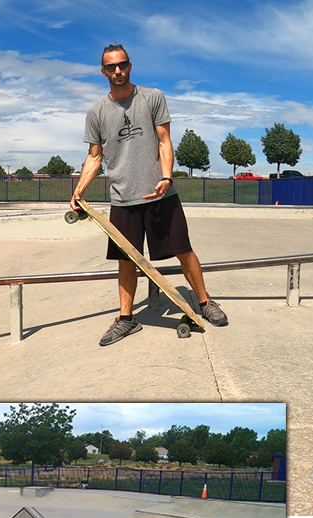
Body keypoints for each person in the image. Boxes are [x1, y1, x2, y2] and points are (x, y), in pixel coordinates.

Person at [71, 44, 228, 346]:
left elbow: (165, 140)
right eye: (111, 67)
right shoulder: (97, 113)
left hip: (161, 195)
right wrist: (78, 191)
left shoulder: (152, 97)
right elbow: (94, 157)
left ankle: (206, 302)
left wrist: (167, 177)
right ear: (103, 71)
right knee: (126, 261)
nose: (117, 71)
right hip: (123, 198)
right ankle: (126, 319)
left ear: (130, 66)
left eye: (122, 65)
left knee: (184, 249)